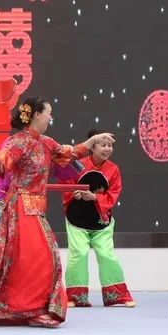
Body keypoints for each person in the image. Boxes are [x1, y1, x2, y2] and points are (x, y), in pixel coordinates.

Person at [0, 96, 112, 327]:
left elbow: (71, 152)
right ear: (36, 114)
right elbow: (5, 158)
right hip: (19, 208)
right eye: (48, 113)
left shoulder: (47, 143)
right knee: (39, 259)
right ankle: (30, 310)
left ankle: (25, 309)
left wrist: (93, 140)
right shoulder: (19, 141)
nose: (50, 118)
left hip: (35, 209)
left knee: (37, 259)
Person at [60, 129, 135, 308]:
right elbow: (66, 183)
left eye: (109, 145)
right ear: (92, 146)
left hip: (101, 220)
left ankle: (116, 296)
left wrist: (95, 197)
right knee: (79, 254)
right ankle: (75, 297)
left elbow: (114, 192)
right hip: (77, 219)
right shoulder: (77, 164)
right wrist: (75, 193)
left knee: (107, 255)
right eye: (103, 144)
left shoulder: (113, 169)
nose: (107, 149)